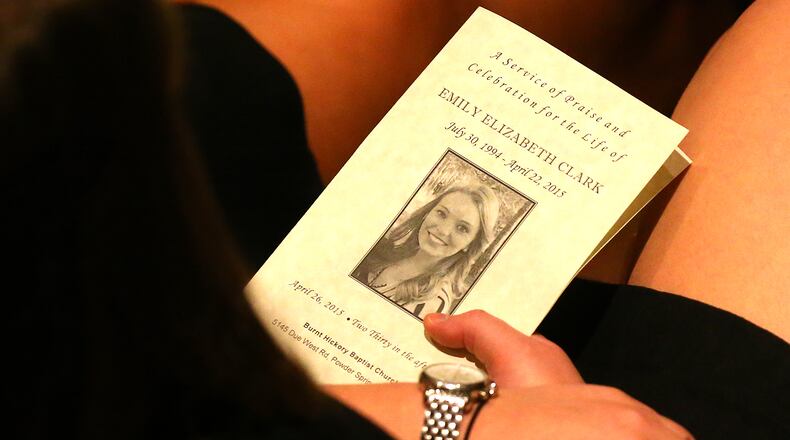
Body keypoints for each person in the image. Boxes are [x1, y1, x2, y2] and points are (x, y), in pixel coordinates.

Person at [354, 185, 500, 318]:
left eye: (462, 228)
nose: (443, 230)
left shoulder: (431, 303)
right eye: (441, 213)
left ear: (471, 244)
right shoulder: (385, 249)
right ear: (428, 212)